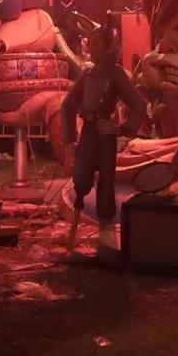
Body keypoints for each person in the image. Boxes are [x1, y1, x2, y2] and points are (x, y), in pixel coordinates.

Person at [59, 22, 146, 255]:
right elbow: (68, 105)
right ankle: (72, 241)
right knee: (80, 179)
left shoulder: (116, 73)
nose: (92, 48)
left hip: (104, 135)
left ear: (108, 47)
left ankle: (107, 242)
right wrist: (69, 138)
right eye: (92, 43)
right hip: (87, 133)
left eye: (98, 43)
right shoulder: (87, 73)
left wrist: (119, 129)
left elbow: (139, 104)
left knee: (106, 184)